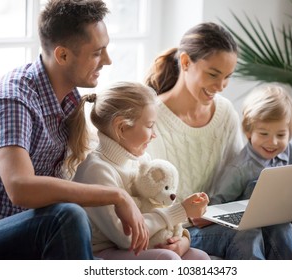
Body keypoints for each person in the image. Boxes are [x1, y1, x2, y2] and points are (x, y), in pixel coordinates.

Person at [0, 0, 148, 260]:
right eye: (97, 52)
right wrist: (116, 196)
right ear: (62, 55)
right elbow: (21, 187)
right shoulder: (13, 100)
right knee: (67, 215)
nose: (108, 60)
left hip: (27, 226)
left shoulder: (68, 99)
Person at [145, 22, 292, 259]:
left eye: (227, 77)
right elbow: (146, 200)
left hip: (218, 217)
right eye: (213, 75)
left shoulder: (225, 112)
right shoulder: (151, 119)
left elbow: (242, 174)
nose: (220, 87)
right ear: (185, 62)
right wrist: (184, 229)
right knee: (245, 232)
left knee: (279, 224)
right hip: (182, 229)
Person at [69, 81, 210, 260]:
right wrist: (181, 212)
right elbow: (127, 238)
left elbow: (157, 204)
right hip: (103, 251)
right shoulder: (97, 171)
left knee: (201, 258)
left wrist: (182, 240)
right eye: (150, 125)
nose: (154, 134)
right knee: (167, 260)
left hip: (141, 243)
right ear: (121, 128)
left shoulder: (141, 160)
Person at [210, 84, 292, 204]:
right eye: (264, 134)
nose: (273, 142)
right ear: (248, 132)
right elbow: (218, 202)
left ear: (290, 134)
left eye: (280, 135)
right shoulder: (239, 169)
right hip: (252, 221)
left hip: (288, 216)